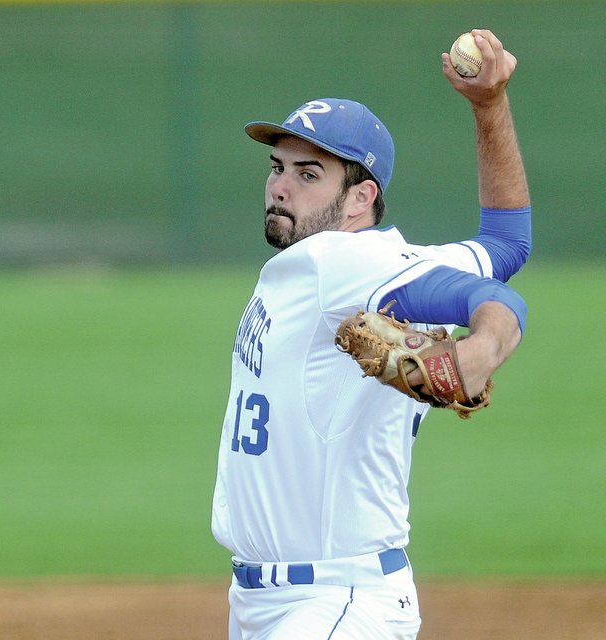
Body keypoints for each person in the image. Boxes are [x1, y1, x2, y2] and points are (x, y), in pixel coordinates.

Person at [211, 30, 531, 639]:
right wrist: (489, 109)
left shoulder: (338, 263)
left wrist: (477, 353)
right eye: (277, 168)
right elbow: (507, 245)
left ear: (361, 197)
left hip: (333, 602)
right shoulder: (374, 264)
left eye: (310, 174)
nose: (280, 186)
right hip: (282, 602)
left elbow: (496, 299)